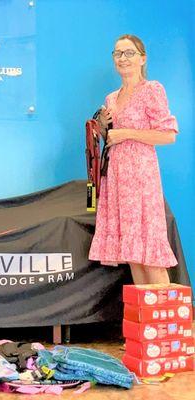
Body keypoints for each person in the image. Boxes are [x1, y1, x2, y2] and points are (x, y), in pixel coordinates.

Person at [89, 34, 178, 285]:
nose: (123, 58)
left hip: (141, 178)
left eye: (129, 52)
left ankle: (164, 321)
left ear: (142, 58)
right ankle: (145, 321)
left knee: (151, 254)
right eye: (118, 53)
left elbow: (168, 135)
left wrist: (126, 133)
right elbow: (109, 139)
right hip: (116, 179)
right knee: (133, 255)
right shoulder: (110, 98)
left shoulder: (152, 90)